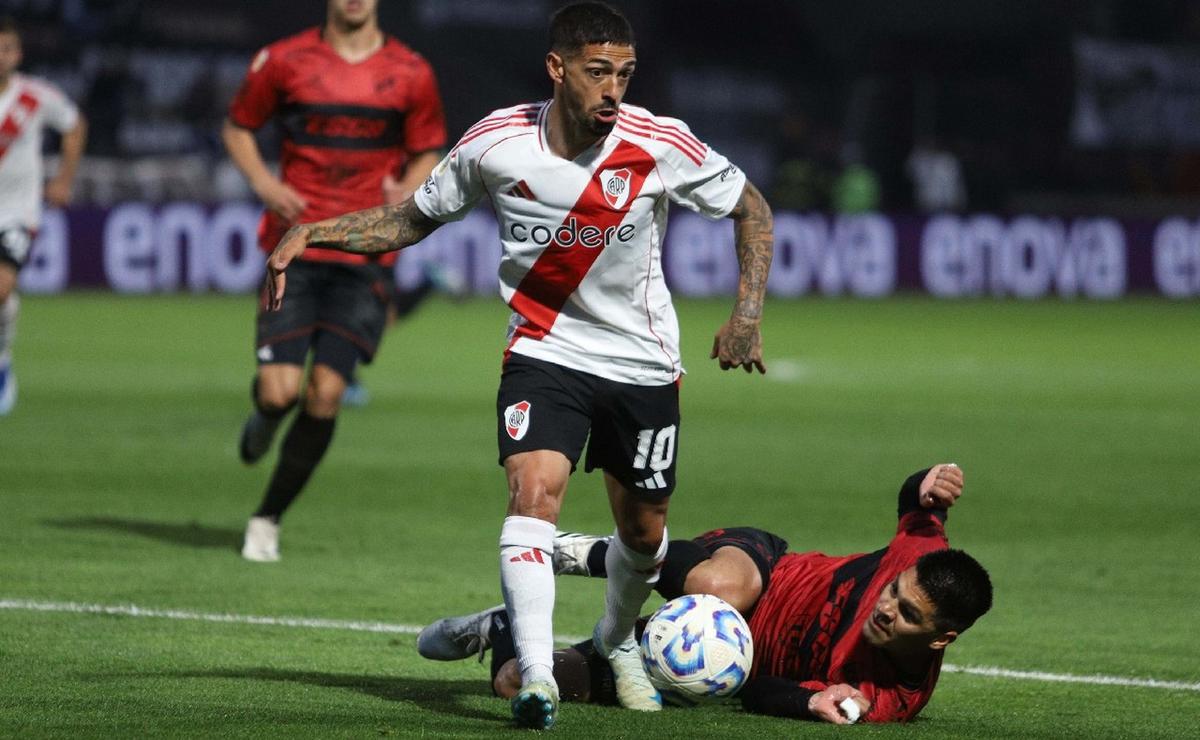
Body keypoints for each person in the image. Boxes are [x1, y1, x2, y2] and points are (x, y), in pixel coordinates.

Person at [262, 1, 774, 728]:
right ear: (557, 69)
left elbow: (751, 207)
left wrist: (746, 315)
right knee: (533, 494)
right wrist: (313, 232)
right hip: (544, 351)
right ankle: (538, 677)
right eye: (598, 73)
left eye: (624, 75)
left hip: (642, 362)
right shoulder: (497, 142)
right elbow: (410, 218)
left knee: (644, 534)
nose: (613, 91)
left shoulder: (659, 143)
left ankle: (617, 640)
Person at [418, 463, 993, 725]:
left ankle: (503, 626)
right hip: (760, 570)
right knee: (723, 587)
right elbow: (914, 502)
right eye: (893, 593)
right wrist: (927, 480)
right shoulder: (919, 556)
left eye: (908, 614)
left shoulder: (884, 699)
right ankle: (585, 553)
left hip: (714, 657)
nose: (887, 608)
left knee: (516, 682)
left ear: (942, 637)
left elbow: (763, 691)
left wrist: (809, 703)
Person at [221, 0, 447, 561]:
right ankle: (264, 418)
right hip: (292, 247)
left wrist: (410, 188)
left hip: (364, 251)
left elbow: (427, 149)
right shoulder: (283, 60)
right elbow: (238, 127)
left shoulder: (411, 71)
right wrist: (265, 185)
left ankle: (267, 517)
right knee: (280, 393)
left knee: (324, 394)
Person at [0, 17, 87, 416]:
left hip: (16, 211)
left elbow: (74, 126)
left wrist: (64, 179)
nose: (1, 57)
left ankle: (1, 361)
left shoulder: (35, 96)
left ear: (17, 54)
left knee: (0, 286)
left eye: (7, 49)